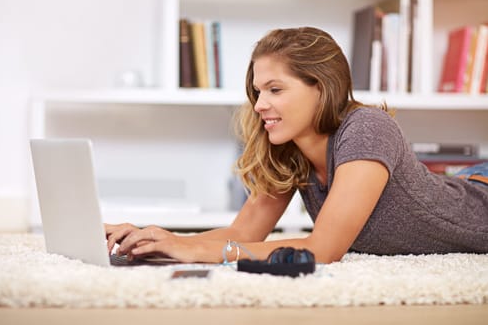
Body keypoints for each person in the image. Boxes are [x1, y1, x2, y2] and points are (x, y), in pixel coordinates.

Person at [105, 27, 488, 264]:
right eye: (258, 91)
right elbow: (244, 234)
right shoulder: (289, 149)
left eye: (275, 89)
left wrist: (197, 251)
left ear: (321, 88)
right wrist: (158, 239)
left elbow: (324, 249)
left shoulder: (367, 128)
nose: (259, 105)